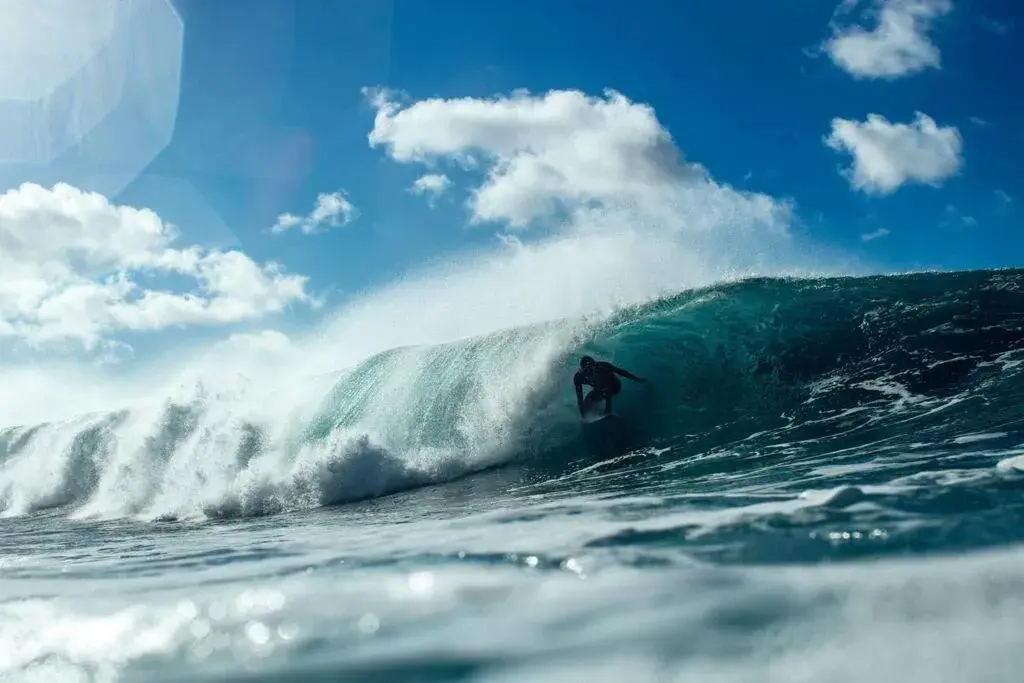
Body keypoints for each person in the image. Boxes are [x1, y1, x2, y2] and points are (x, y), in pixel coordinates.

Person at [573, 355, 647, 418]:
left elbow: (621, 372)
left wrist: (637, 379)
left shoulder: (603, 367)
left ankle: (608, 411)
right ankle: (596, 411)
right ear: (582, 370)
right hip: (599, 389)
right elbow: (580, 399)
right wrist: (583, 415)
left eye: (592, 368)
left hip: (615, 386)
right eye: (587, 370)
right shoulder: (578, 377)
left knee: (606, 389)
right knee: (587, 402)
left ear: (595, 366)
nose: (590, 371)